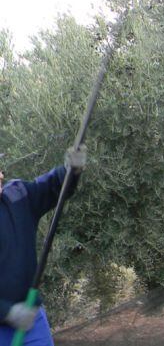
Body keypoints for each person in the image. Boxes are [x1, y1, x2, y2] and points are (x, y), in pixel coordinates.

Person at [0, 146, 87, 346]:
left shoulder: (17, 196)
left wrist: (70, 170)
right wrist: (8, 312)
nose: (1, 174)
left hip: (31, 319)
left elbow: (52, 186)